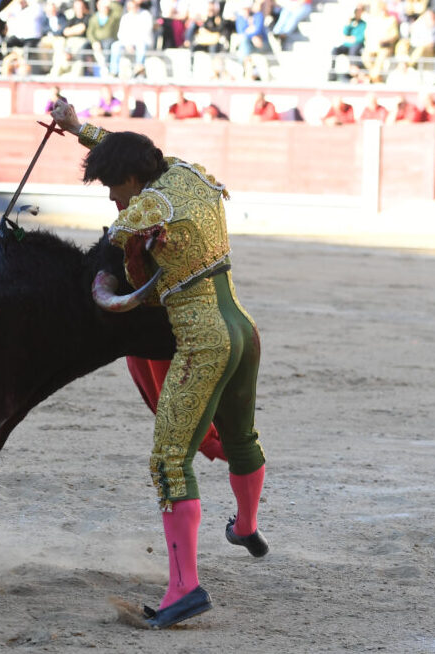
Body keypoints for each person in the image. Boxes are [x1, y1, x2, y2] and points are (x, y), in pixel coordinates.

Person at [49, 97, 268, 630]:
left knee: (170, 461)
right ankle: (245, 524)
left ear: (130, 180)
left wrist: (104, 282)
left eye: (112, 188)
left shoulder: (142, 212)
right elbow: (131, 152)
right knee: (241, 435)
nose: (112, 199)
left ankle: (185, 587)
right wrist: (79, 129)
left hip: (204, 339)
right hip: (242, 326)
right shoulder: (186, 173)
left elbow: (116, 268)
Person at [329, 5, 366, 81]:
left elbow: (361, 37)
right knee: (335, 50)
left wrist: (353, 39)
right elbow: (345, 32)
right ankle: (332, 71)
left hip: (357, 45)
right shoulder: (352, 23)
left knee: (353, 51)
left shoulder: (363, 24)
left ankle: (353, 72)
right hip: (348, 44)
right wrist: (348, 23)